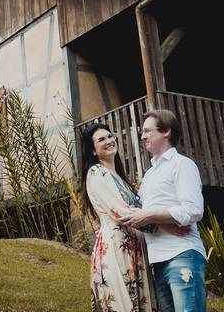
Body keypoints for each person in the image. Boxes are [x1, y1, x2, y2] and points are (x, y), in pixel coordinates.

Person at [116, 109, 207, 312]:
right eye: (142, 132)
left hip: (182, 254)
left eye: (148, 131)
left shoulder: (182, 164)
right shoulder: (149, 175)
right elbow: (142, 215)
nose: (143, 136)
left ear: (166, 131)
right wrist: (160, 221)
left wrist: (150, 215)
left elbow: (194, 210)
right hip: (157, 260)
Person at [79, 122, 158, 312]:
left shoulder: (120, 177)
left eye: (109, 136)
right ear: (93, 151)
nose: (108, 141)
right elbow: (119, 212)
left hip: (134, 245)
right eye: (101, 139)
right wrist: (160, 224)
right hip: (117, 246)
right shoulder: (97, 172)